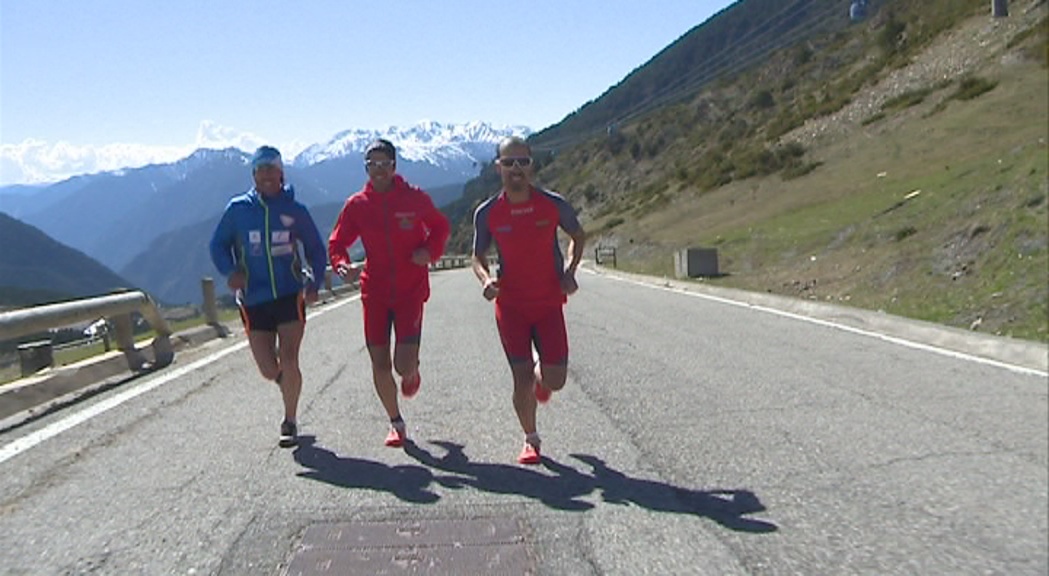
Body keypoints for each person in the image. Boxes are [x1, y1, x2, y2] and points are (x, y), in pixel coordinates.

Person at [471, 136, 586, 465]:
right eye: (509, 163)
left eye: (522, 161)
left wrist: (570, 270)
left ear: (532, 165)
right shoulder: (488, 212)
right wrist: (485, 279)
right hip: (511, 306)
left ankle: (543, 377)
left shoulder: (552, 204)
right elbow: (477, 255)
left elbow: (577, 236)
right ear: (498, 168)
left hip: (549, 302)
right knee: (520, 377)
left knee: (557, 380)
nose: (516, 169)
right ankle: (531, 439)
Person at [328, 138, 450, 448]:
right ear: (366, 168)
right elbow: (337, 243)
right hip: (375, 292)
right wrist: (342, 265)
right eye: (372, 165)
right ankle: (396, 422)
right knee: (379, 362)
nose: (378, 170)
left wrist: (429, 252)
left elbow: (440, 227)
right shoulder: (357, 205)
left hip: (410, 291)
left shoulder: (414, 198)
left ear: (394, 166)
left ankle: (412, 369)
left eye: (384, 164)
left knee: (402, 365)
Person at [209, 145, 327, 448]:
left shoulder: (294, 211)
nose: (265, 176)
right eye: (260, 171)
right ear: (253, 175)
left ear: (281, 174)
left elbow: (315, 248)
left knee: (289, 358)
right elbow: (217, 245)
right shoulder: (237, 210)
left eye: (270, 170)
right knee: (267, 367)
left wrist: (314, 281)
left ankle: (289, 420)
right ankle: (285, 383)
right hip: (253, 299)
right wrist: (230, 271)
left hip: (289, 294)